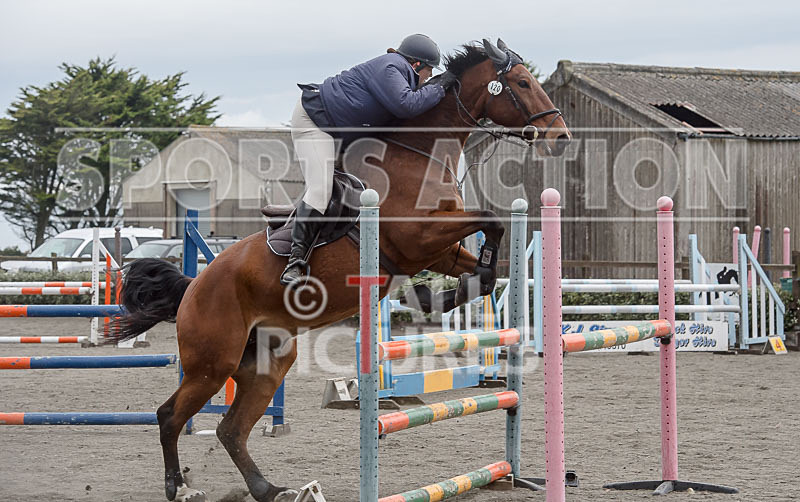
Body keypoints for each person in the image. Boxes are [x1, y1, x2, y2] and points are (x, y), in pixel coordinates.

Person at [280, 34, 456, 287]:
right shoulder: (391, 66)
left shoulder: (400, 72)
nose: (429, 77)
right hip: (314, 122)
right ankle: (294, 263)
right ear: (416, 64)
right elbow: (407, 106)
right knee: (321, 190)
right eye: (429, 71)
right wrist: (439, 88)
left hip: (342, 131)